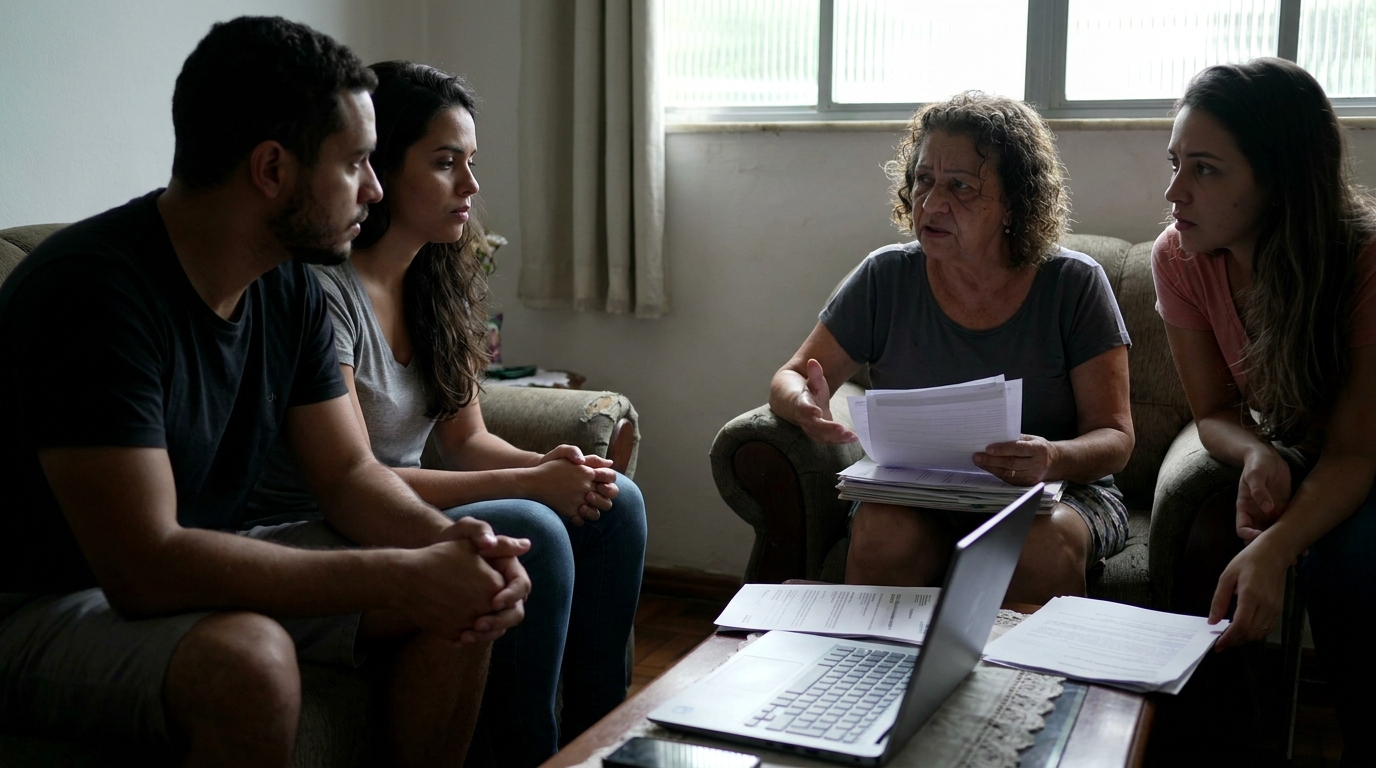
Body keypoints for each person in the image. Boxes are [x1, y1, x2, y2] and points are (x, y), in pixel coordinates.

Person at [0, 18, 532, 768]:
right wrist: (401, 571)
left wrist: (449, 549)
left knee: (467, 590)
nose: (374, 189)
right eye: (355, 164)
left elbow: (348, 477)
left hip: (197, 556)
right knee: (248, 659)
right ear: (272, 170)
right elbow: (145, 566)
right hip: (37, 603)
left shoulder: (290, 291)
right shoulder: (91, 292)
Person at [249, 61, 648, 767]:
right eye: (444, 163)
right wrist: (530, 488)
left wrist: (556, 468)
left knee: (617, 502)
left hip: (399, 506)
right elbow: (353, 477)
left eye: (471, 163)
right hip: (331, 518)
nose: (470, 185)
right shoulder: (322, 294)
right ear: (380, 168)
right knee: (531, 527)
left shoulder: (438, 281)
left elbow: (465, 442)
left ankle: (605, 745)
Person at [769, 92, 1134, 604]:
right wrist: (803, 402)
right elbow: (788, 376)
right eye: (923, 180)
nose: (931, 204)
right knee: (881, 534)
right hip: (915, 493)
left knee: (1036, 546)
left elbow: (1115, 437)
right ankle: (876, 680)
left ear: (1014, 203)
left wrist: (1050, 456)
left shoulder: (1073, 284)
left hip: (1058, 493)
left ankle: (1023, 686)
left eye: (960, 187)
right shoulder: (886, 276)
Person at [1152, 58, 1376, 765]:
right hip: (1301, 447)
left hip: (1363, 451)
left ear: (1279, 180)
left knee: (1350, 560)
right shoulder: (1179, 258)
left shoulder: (1363, 262)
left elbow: (1355, 451)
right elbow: (1213, 410)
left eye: (1206, 170)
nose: (1174, 191)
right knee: (1212, 541)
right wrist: (1256, 453)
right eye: (1175, 163)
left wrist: (1276, 550)